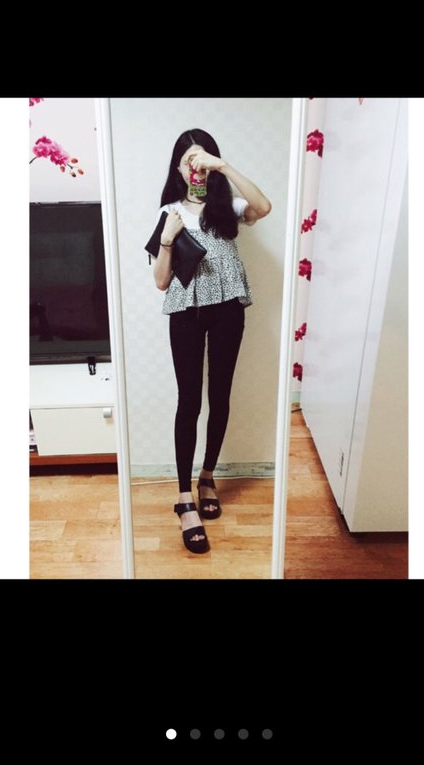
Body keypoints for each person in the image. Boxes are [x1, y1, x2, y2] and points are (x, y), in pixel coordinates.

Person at [153, 128, 271, 554]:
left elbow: (263, 206)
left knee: (220, 396)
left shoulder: (227, 208)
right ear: (178, 167)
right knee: (189, 402)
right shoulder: (169, 211)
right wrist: (167, 238)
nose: (195, 167)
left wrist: (223, 166)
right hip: (185, 311)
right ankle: (184, 497)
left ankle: (207, 477)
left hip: (227, 309)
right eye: (188, 160)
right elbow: (161, 281)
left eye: (201, 158)